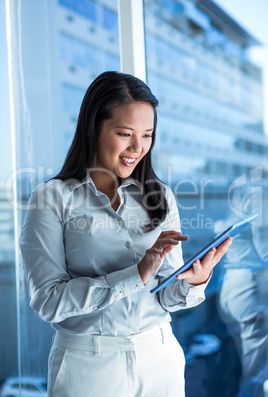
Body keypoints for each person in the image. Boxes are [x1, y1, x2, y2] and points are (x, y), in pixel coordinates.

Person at [19, 71, 231, 397]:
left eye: (147, 135)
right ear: (93, 128)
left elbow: (165, 296)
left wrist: (194, 280)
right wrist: (134, 274)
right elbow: (47, 301)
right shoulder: (51, 199)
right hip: (89, 366)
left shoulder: (160, 196)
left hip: (160, 355)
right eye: (125, 133)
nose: (138, 147)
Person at [218, 180, 268, 397]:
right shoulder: (258, 220)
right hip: (248, 292)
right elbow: (265, 253)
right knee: (255, 371)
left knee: (245, 363)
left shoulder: (231, 221)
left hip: (228, 290)